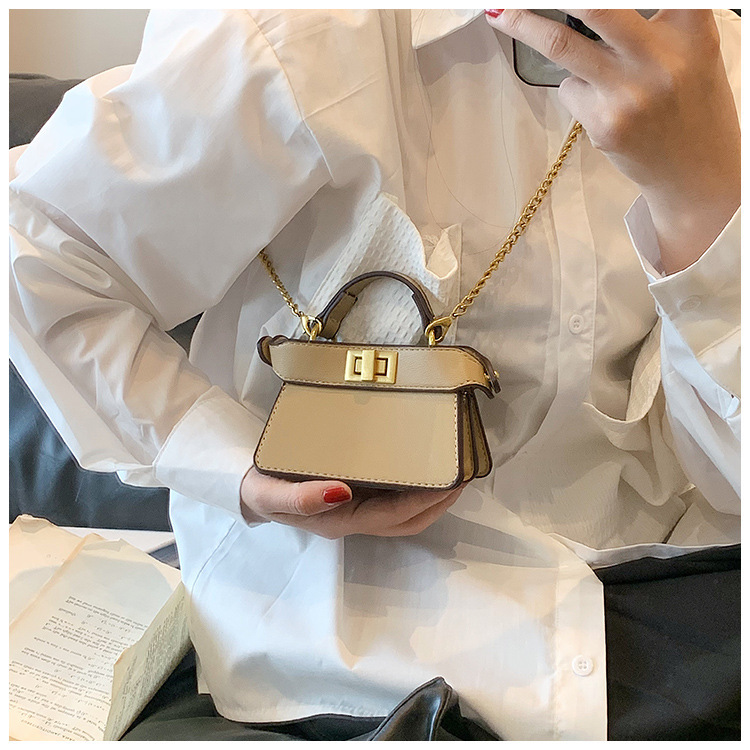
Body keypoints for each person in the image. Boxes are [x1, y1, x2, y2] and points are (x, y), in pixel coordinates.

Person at [9, 9, 740, 740]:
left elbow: (725, 469)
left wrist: (699, 197)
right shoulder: (295, 33)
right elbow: (39, 248)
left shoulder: (722, 65)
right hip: (348, 652)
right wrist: (230, 464)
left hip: (671, 600)